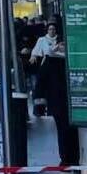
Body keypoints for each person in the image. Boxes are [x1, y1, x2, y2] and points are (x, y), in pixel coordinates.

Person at [28, 19, 69, 152]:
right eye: (50, 29)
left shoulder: (61, 42)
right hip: (47, 72)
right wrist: (34, 57)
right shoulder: (43, 41)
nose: (52, 31)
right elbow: (38, 52)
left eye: (53, 29)